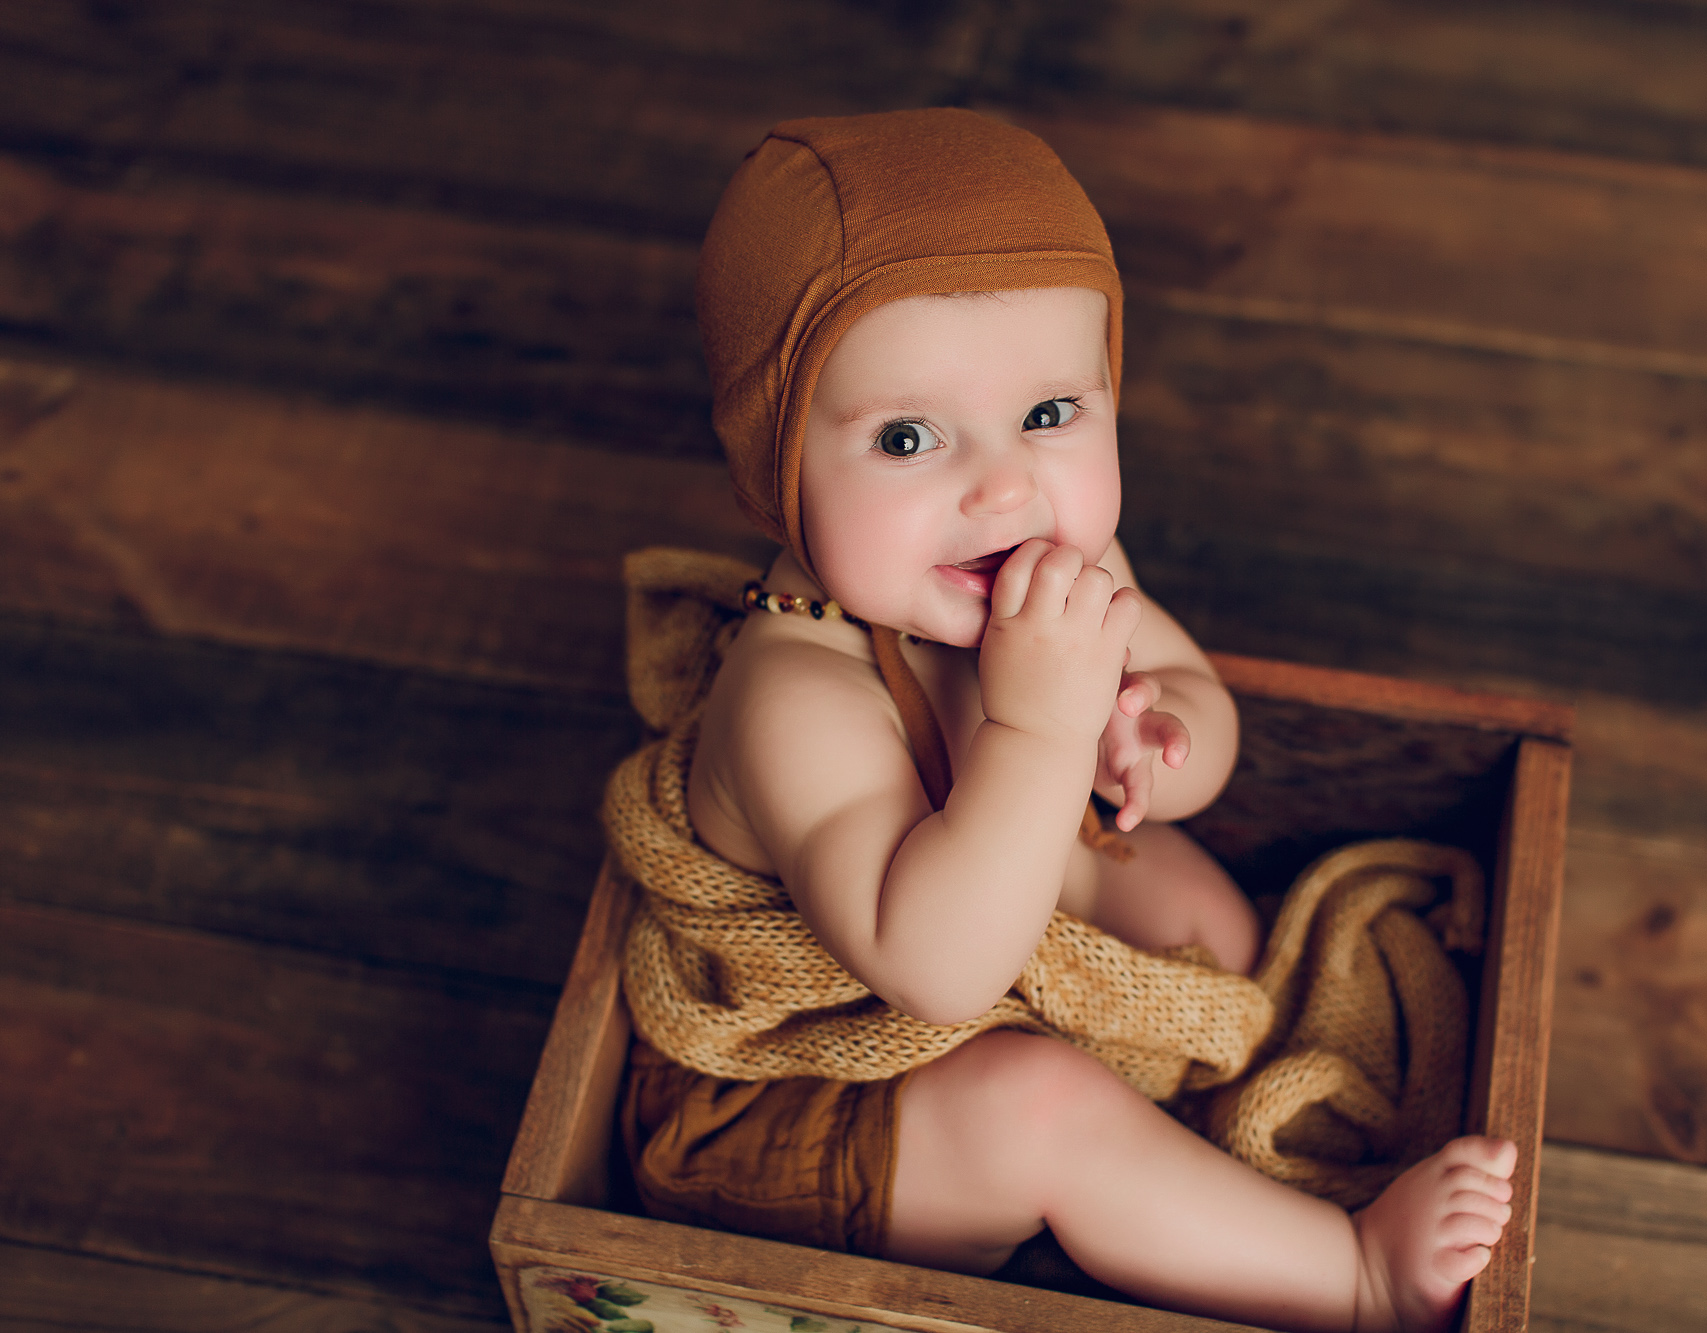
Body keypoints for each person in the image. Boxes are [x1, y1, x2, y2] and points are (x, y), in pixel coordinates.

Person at [623, 107, 1515, 1333]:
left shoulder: (1043, 554)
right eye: (905, 437)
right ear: (780, 465)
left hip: (989, 922)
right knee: (1036, 1104)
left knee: (1204, 910)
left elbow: (1197, 708)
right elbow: (937, 970)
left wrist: (1158, 739)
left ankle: (1180, 1186)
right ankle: (1351, 1280)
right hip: (814, 1100)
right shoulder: (796, 695)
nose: (999, 486)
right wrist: (1041, 734)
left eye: (1049, 415)